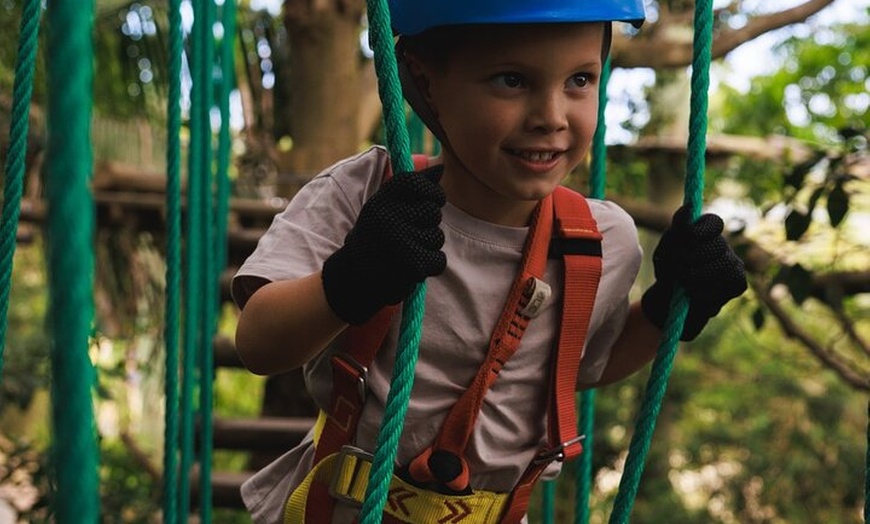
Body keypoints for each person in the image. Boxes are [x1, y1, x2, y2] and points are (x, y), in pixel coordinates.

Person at [232, 1, 747, 522]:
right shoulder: (367, 195)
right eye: (512, 80)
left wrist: (663, 312)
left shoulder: (598, 241)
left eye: (580, 80)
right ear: (424, 81)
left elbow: (582, 366)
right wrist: (349, 279)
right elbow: (259, 343)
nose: (552, 117)